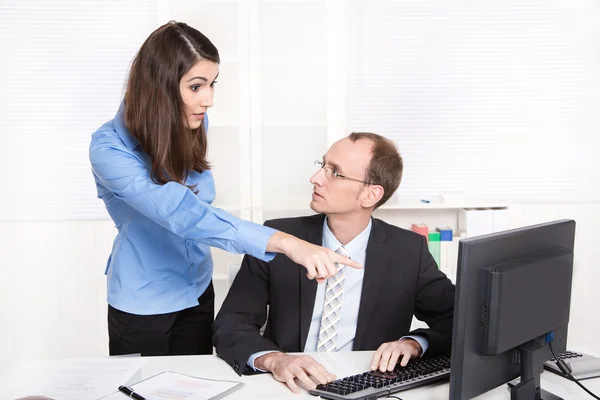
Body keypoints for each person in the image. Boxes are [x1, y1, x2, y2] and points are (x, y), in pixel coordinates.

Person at [89, 21, 359, 357]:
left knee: (195, 387)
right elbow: (180, 213)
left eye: (212, 85)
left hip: (197, 289)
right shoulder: (109, 149)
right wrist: (287, 243)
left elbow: (199, 202)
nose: (209, 100)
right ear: (159, 86)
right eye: (196, 87)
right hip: (143, 302)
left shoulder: (191, 121)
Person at [213, 133, 456, 393]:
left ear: (370, 195)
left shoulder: (408, 250)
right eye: (323, 166)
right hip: (285, 387)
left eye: (335, 173)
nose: (315, 178)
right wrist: (275, 360)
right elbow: (230, 322)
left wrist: (414, 343)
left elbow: (461, 319)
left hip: (364, 387)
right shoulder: (280, 239)